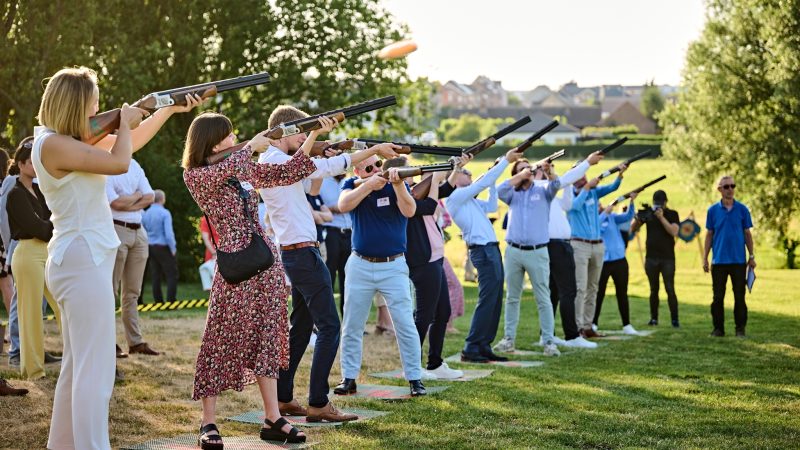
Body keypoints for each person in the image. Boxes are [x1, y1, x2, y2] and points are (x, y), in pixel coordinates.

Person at [35, 66, 199, 450]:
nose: (97, 106)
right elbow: (121, 162)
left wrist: (165, 109)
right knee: (95, 370)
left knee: (78, 367)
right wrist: (124, 120)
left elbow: (130, 143)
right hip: (82, 259)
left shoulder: (60, 142)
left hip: (78, 258)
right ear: (77, 105)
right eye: (93, 101)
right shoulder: (53, 144)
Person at [183, 111, 323, 447]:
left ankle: (273, 417)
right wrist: (251, 147)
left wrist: (313, 136)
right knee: (219, 339)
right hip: (236, 267)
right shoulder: (198, 175)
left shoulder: (238, 167)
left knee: (268, 338)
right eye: (230, 135)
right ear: (213, 140)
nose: (235, 139)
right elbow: (223, 170)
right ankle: (208, 422)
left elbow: (286, 173)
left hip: (267, 264)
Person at [259, 106, 399, 422]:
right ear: (286, 131)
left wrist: (321, 142)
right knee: (330, 326)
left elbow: (314, 177)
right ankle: (319, 402)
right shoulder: (275, 161)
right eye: (299, 131)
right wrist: (370, 150)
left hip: (298, 252)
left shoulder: (277, 161)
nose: (302, 136)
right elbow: (319, 167)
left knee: (303, 327)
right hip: (302, 253)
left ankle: (283, 397)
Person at [334, 154, 427, 397]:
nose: (376, 168)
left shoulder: (397, 185)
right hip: (360, 263)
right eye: (369, 166)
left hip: (393, 264)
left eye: (378, 165)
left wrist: (397, 184)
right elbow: (344, 205)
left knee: (405, 323)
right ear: (358, 170)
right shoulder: (351, 186)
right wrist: (367, 185)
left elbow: (409, 210)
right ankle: (349, 377)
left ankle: (415, 378)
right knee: (352, 324)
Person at [494, 153, 599, 356]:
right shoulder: (512, 193)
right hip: (514, 250)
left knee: (543, 297)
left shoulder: (543, 190)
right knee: (512, 298)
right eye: (522, 168)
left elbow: (556, 183)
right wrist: (521, 174)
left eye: (529, 168)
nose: (528, 171)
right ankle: (509, 339)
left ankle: (549, 341)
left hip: (537, 251)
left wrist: (548, 170)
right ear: (516, 173)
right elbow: (500, 189)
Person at [445, 151, 519, 363]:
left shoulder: (470, 200)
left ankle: (484, 344)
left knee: (495, 299)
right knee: (487, 299)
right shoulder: (455, 196)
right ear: (455, 177)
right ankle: (471, 347)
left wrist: (492, 181)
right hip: (482, 250)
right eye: (465, 172)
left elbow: (492, 206)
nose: (469, 175)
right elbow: (480, 184)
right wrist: (505, 161)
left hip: (490, 249)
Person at [7, 137, 62, 379]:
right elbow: (38, 227)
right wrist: (54, 224)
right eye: (29, 162)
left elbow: (53, 217)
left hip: (48, 251)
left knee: (63, 305)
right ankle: (33, 369)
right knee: (30, 313)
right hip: (27, 253)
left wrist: (52, 224)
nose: (33, 166)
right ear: (19, 164)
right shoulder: (15, 194)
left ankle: (76, 360)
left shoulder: (40, 190)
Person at [406, 166, 464, 379]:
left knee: (442, 313)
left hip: (436, 258)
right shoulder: (405, 194)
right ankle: (412, 365)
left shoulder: (419, 190)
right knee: (424, 315)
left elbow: (446, 189)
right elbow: (429, 206)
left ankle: (435, 363)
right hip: (423, 261)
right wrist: (434, 178)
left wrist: (457, 167)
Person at [106, 156, 159, 357]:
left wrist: (128, 201)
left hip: (139, 232)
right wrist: (137, 197)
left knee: (132, 292)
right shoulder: (107, 166)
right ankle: (108, 343)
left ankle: (135, 343)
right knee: (110, 291)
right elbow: (116, 204)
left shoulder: (135, 165)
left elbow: (150, 196)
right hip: (116, 229)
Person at [568, 166, 626, 338]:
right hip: (579, 245)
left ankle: (588, 325)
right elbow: (576, 207)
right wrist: (586, 188)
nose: (584, 178)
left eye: (584, 175)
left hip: (597, 245)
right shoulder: (570, 195)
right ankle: (577, 327)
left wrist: (620, 174)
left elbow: (612, 188)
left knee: (593, 287)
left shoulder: (593, 192)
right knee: (580, 287)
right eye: (580, 176)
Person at [545, 165, 598, 349]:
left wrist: (565, 183)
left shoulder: (551, 195)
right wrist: (562, 178)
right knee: (568, 291)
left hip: (561, 245)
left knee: (555, 292)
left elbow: (567, 204)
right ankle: (571, 335)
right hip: (556, 245)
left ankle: (548, 334)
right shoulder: (543, 190)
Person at [703, 176, 755, 338]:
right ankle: (718, 329)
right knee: (718, 297)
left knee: (740, 297)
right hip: (718, 262)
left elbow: (747, 234)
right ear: (719, 189)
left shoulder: (742, 209)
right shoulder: (712, 211)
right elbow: (709, 235)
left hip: (739, 262)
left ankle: (740, 329)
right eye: (726, 186)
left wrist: (751, 256)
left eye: (733, 185)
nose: (730, 189)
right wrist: (705, 258)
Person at [631, 190, 681, 327]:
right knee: (654, 290)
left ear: (665, 203)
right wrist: (638, 218)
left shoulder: (672, 214)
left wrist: (661, 218)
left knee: (670, 289)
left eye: (660, 204)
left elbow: (673, 231)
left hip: (667, 258)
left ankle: (675, 320)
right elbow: (632, 229)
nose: (658, 207)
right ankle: (654, 319)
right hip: (651, 257)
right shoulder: (650, 214)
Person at [593, 195, 638, 334]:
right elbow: (597, 227)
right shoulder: (594, 221)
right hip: (604, 262)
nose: (600, 206)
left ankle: (626, 324)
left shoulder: (612, 217)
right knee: (599, 293)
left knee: (622, 293)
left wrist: (632, 201)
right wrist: (605, 213)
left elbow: (627, 217)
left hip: (619, 260)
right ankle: (593, 323)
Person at [319, 174, 352, 315]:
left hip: (350, 233)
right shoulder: (321, 182)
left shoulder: (350, 182)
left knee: (349, 278)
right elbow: (315, 205)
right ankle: (329, 321)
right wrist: (333, 208)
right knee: (329, 277)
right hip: (331, 233)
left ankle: (348, 321)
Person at [142, 189, 178, 303]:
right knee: (172, 274)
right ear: (162, 199)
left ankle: (158, 301)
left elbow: (144, 230)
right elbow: (169, 234)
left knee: (155, 275)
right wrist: (173, 248)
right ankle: (171, 301)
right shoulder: (165, 213)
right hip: (163, 246)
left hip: (150, 247)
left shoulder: (146, 213)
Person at [198, 216, 218, 291]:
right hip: (216, 254)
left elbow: (206, 239)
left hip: (213, 253)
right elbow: (206, 239)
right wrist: (214, 253)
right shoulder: (223, 215)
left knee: (213, 286)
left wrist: (214, 253)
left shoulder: (205, 219)